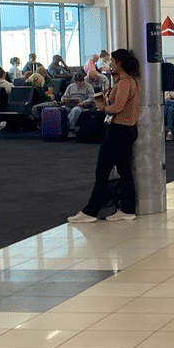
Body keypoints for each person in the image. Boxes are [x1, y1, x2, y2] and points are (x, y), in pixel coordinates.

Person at [67, 48, 142, 224]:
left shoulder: (124, 82)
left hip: (118, 130)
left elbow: (117, 108)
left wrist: (103, 107)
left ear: (120, 63)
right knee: (124, 170)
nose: (110, 64)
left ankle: (91, 211)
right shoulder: (132, 81)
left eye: (113, 62)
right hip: (128, 129)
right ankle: (127, 209)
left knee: (102, 171)